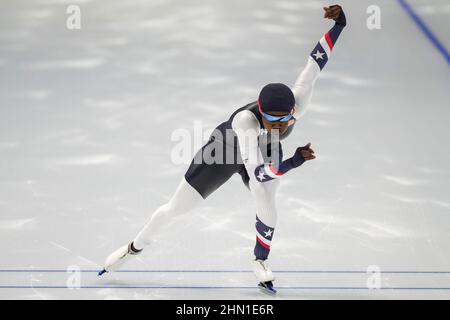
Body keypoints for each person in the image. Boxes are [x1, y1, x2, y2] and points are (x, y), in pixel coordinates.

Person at [99, 5, 347, 295]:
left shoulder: (298, 102)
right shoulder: (246, 121)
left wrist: (339, 26)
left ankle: (259, 261)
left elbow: (315, 63)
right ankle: (133, 248)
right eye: (272, 119)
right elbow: (258, 172)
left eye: (286, 119)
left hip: (263, 151)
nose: (280, 125)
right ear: (260, 111)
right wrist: (292, 161)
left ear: (294, 109)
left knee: (267, 202)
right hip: (224, 151)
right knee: (176, 209)